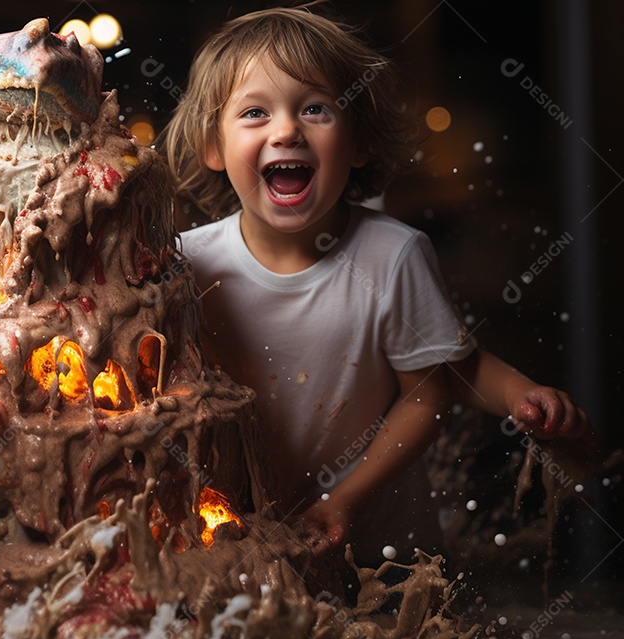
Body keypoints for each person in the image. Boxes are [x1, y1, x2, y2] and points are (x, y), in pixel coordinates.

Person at [161, 7, 589, 563]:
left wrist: (344, 500)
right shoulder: (186, 265)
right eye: (255, 113)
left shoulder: (391, 255)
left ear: (358, 141)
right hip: (240, 556)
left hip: (387, 567)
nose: (287, 129)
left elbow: (432, 388)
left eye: (315, 109)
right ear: (213, 147)